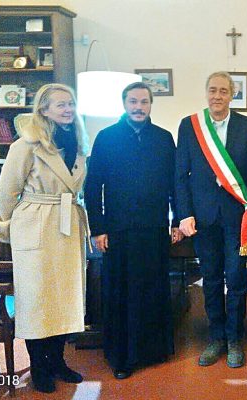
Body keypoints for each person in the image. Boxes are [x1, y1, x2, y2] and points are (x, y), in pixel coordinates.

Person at [0, 83, 88, 393]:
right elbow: (6, 193)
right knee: (37, 298)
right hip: (36, 224)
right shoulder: (26, 144)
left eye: (70, 103)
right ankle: (39, 366)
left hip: (67, 223)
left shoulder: (77, 142)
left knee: (64, 297)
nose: (68, 109)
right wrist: (6, 225)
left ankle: (58, 361)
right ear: (44, 110)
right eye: (60, 105)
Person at [84, 82, 181, 380]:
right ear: (124, 104)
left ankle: (154, 351)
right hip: (118, 231)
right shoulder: (106, 138)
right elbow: (93, 187)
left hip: (153, 229)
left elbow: (175, 185)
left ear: (151, 105)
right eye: (133, 101)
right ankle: (122, 357)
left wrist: (176, 221)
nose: (139, 107)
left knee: (153, 290)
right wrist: (98, 229)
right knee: (121, 293)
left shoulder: (164, 139)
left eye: (144, 102)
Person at [175, 71, 247, 368]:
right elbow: (180, 175)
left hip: (236, 217)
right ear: (206, 92)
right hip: (202, 218)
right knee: (211, 279)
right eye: (212, 90)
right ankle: (216, 339)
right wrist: (183, 214)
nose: (217, 96)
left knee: (237, 279)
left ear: (232, 94)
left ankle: (235, 339)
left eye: (223, 91)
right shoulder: (190, 126)